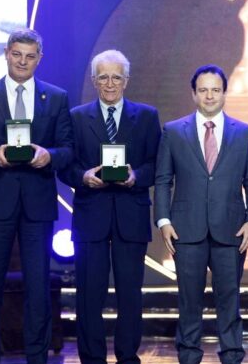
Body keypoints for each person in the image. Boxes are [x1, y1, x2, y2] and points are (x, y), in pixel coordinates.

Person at [0, 28, 73, 364]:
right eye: (17, 54)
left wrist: (49, 156)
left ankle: (37, 357)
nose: (23, 61)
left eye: (30, 56)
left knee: (38, 289)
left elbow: (68, 150)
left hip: (37, 205)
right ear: (7, 53)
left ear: (39, 58)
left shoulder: (56, 97)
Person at [154, 65, 248, 364]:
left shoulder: (244, 132)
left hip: (231, 229)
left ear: (224, 93)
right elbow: (163, 179)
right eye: (203, 90)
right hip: (185, 230)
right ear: (194, 94)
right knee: (189, 302)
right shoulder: (174, 131)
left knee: (229, 300)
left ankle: (231, 356)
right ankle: (189, 356)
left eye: (215, 89)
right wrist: (163, 220)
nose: (210, 95)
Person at [59, 50, 161, 364]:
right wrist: (82, 177)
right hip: (91, 215)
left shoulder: (146, 116)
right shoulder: (76, 117)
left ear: (126, 80)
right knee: (90, 294)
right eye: (103, 76)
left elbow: (157, 163)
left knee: (130, 293)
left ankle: (128, 356)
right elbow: (65, 164)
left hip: (131, 214)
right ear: (93, 80)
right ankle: (92, 357)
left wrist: (137, 176)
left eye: (116, 76)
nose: (110, 83)